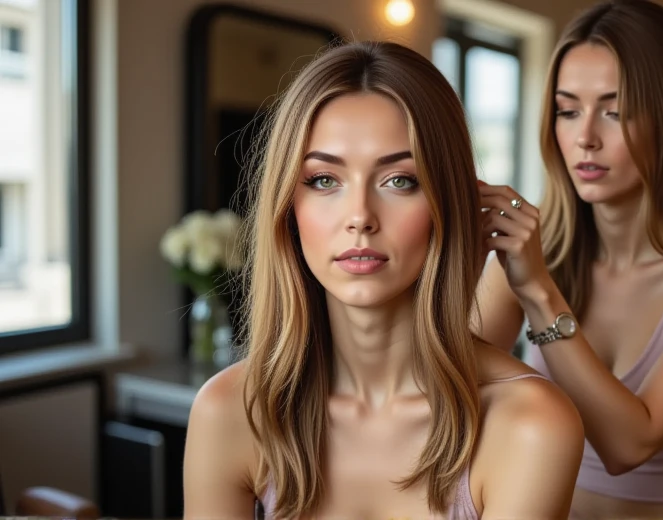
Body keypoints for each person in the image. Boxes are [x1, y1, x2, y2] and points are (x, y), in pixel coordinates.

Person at [183, 41, 584, 520]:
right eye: (324, 180)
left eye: (399, 180)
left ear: (448, 204)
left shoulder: (530, 423)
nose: (359, 218)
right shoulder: (228, 411)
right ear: (289, 208)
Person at [474, 0, 663, 518]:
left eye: (615, 111)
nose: (585, 136)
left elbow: (629, 445)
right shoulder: (535, 248)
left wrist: (539, 294)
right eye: (568, 110)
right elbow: (448, 393)